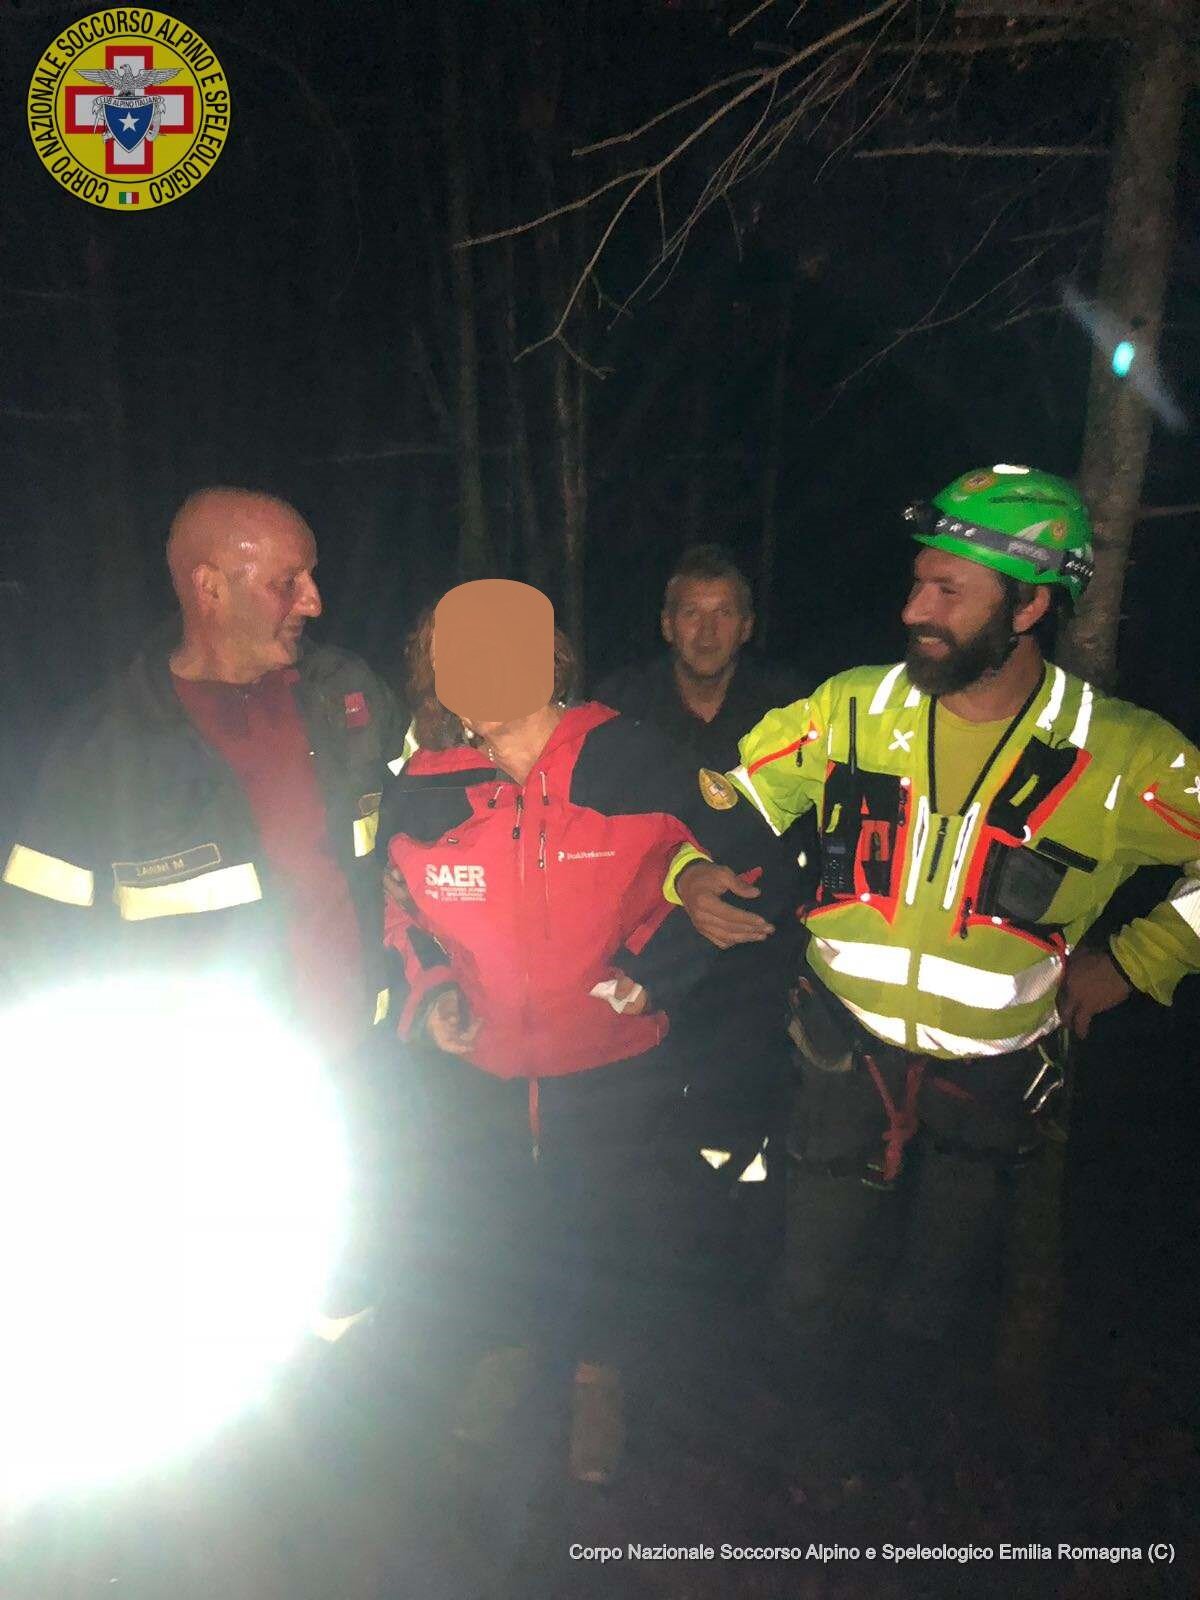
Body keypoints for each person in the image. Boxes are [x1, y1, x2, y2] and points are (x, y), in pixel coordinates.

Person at [668, 466, 1200, 1471]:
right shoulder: (853, 709)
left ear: (1033, 602)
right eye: (917, 582)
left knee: (936, 1290)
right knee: (808, 1276)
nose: (913, 608)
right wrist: (688, 874)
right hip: (834, 1055)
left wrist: (1137, 959)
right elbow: (724, 800)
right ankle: (790, 1461)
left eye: (948, 590)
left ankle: (902, 1470)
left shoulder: (1120, 753)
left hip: (990, 1087)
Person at [379, 580, 735, 1500]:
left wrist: (655, 969)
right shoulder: (423, 789)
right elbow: (400, 909)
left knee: (613, 1231)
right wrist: (430, 991)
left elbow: (720, 872)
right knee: (494, 1226)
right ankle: (506, 1354)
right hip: (484, 1070)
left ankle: (598, 1380)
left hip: (612, 1064)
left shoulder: (632, 760)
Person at [2, 486, 406, 1062]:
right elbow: (29, 945)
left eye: (311, 577)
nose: (314, 601)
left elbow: (437, 809)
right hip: (206, 1095)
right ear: (211, 588)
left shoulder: (347, 693)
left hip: (377, 1068)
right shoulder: (106, 747)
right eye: (286, 582)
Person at [595, 544, 815, 1285]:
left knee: (750, 1121)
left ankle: (742, 1270)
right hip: (651, 948)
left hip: (760, 949)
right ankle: (648, 1273)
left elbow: (827, 829)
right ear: (666, 624)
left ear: (747, 626)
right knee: (642, 1116)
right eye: (692, 612)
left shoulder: (794, 710)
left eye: (725, 613)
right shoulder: (619, 706)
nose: (708, 630)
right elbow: (593, 827)